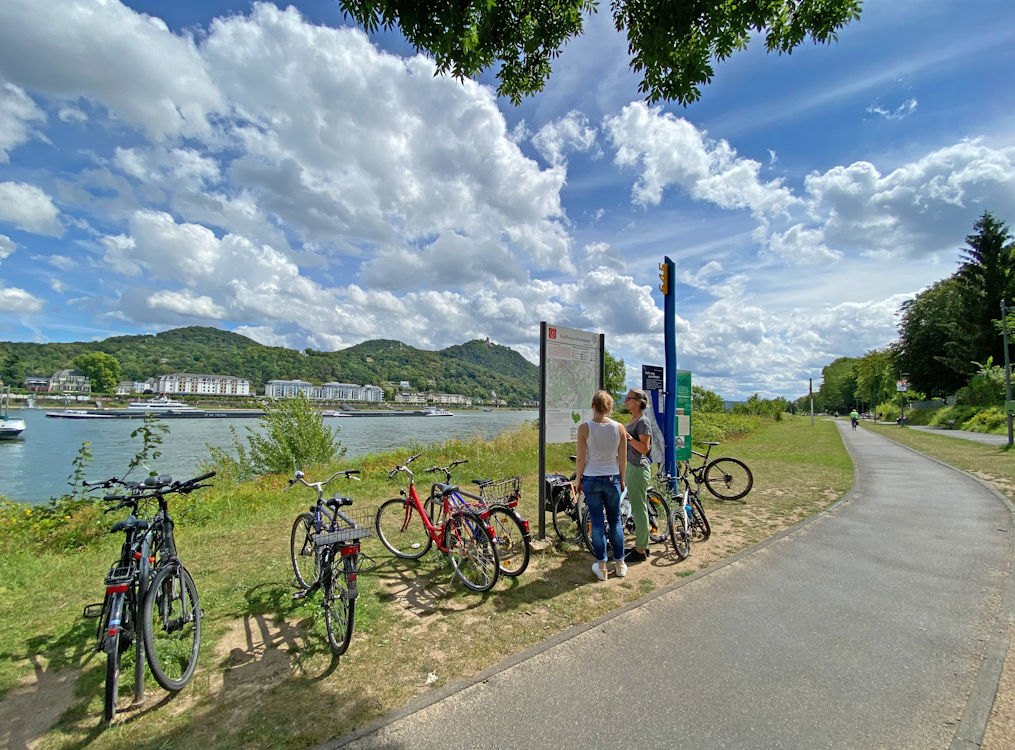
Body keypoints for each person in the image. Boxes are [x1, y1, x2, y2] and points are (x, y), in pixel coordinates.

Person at [576, 390, 627, 581]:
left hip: (591, 477)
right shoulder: (619, 428)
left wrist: (578, 479)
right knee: (615, 521)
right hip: (612, 477)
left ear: (592, 405)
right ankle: (620, 564)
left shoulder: (584, 428)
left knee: (596, 521)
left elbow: (581, 458)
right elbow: (622, 458)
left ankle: (602, 566)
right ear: (609, 407)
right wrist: (622, 479)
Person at [623, 388, 652, 562]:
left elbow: (644, 448)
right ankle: (643, 545)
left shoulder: (643, 421)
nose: (626, 401)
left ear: (638, 401)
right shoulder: (633, 420)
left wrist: (627, 437)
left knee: (639, 509)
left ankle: (640, 549)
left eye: (629, 398)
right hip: (632, 467)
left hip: (639, 468)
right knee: (637, 506)